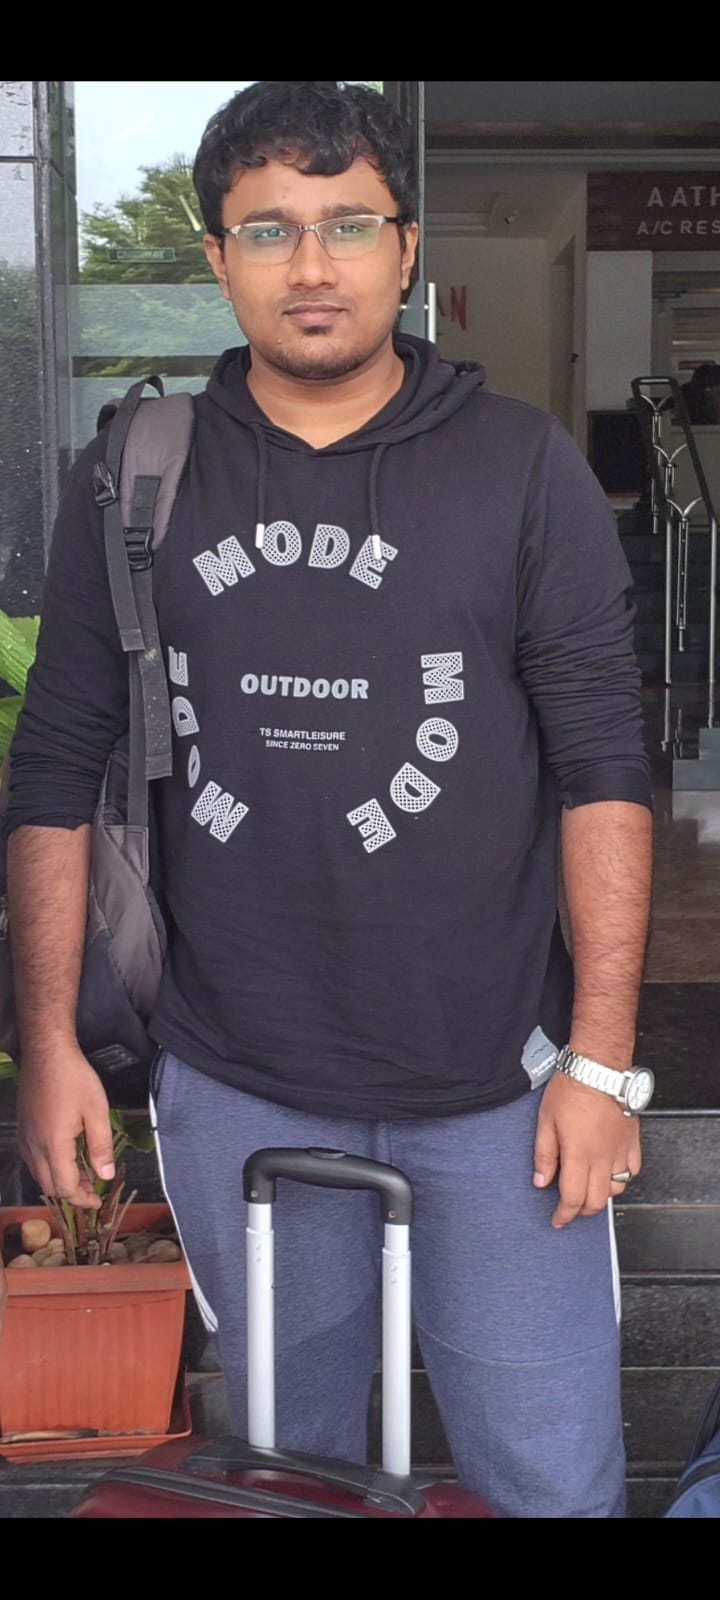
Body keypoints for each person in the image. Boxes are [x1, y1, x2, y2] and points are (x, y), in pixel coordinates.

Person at [5, 81, 653, 1519]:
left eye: (349, 224)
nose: (313, 264)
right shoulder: (136, 476)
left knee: (549, 1474)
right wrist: (47, 1043)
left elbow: (605, 764)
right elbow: (55, 765)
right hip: (237, 1076)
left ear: (406, 247)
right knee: (289, 1472)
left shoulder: (520, 467)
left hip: (503, 1088)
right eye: (270, 229)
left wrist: (603, 1063)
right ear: (218, 256)